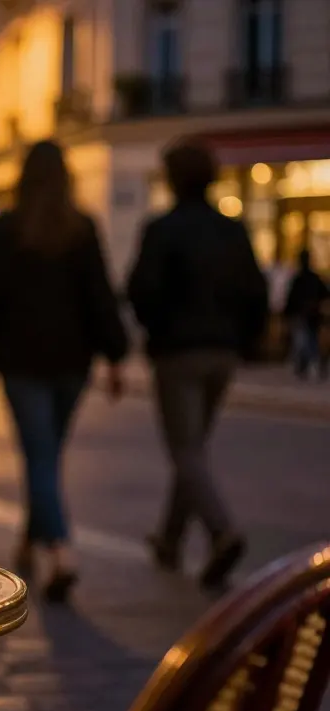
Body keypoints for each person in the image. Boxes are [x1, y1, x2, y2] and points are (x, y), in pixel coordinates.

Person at [0, 140, 128, 603]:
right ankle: (33, 538)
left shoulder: (8, 228)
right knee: (47, 452)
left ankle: (59, 550)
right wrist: (115, 355)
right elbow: (100, 296)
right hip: (72, 360)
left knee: (40, 454)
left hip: (21, 360)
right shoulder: (82, 228)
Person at [128, 140, 268, 589]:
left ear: (171, 178)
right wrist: (244, 339)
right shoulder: (233, 229)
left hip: (177, 352)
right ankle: (169, 539)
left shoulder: (162, 228)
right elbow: (255, 291)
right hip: (222, 350)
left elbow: (141, 290)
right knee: (193, 449)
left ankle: (221, 530)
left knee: (186, 450)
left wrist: (157, 329)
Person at [284, 249, 328, 380]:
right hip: (309, 315)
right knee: (307, 341)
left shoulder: (300, 279)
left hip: (307, 316)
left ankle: (307, 365)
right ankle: (308, 365)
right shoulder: (309, 278)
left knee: (304, 341)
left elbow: (291, 299)